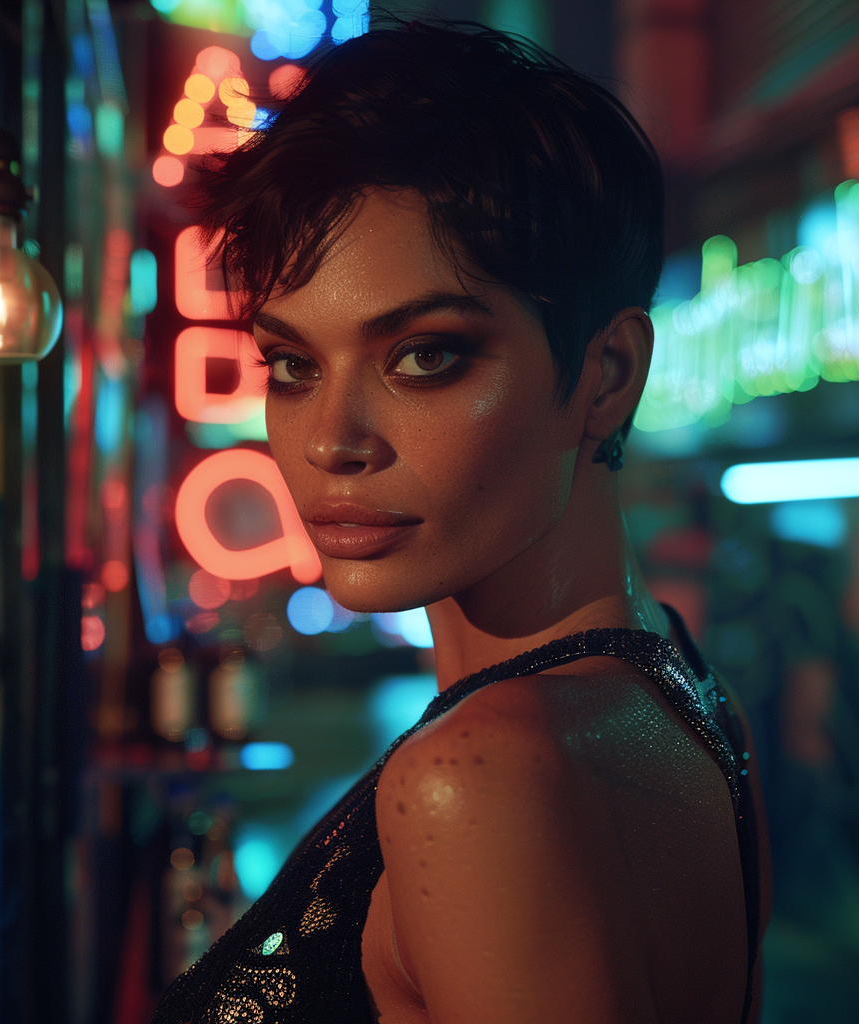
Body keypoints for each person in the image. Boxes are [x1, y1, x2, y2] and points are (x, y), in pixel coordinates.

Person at [153, 20, 771, 1024]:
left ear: (607, 374)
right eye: (292, 365)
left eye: (425, 356)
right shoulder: (680, 690)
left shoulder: (476, 778)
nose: (331, 442)